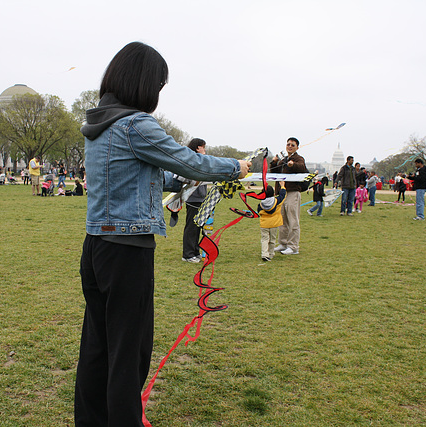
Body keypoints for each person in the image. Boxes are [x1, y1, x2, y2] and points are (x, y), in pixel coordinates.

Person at [74, 41, 251, 427]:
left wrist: (179, 180)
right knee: (129, 350)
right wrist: (236, 167)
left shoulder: (99, 123)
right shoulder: (137, 123)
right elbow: (190, 160)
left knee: (98, 346)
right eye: (157, 83)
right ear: (143, 82)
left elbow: (145, 174)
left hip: (97, 249)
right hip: (127, 253)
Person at [272, 137, 308, 255]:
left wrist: (293, 165)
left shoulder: (299, 159)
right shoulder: (283, 160)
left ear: (297, 147)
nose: (290, 146)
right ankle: (283, 243)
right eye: (288, 144)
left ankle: (293, 247)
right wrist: (274, 162)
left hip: (293, 192)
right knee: (282, 220)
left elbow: (302, 168)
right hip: (282, 193)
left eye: (293, 145)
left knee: (293, 220)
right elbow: (274, 173)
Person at [181, 138, 209, 263]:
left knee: (198, 226)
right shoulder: (194, 160)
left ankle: (195, 251)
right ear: (198, 148)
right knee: (191, 227)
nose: (205, 149)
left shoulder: (201, 160)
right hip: (193, 198)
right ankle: (187, 254)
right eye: (203, 147)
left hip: (201, 198)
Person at [258, 185, 286, 261]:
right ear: (273, 194)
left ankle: (264, 254)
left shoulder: (261, 204)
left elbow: (259, 212)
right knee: (272, 240)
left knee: (264, 239)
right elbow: (283, 195)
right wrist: (283, 186)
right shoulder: (277, 201)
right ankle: (270, 254)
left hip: (264, 224)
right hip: (274, 223)